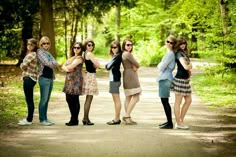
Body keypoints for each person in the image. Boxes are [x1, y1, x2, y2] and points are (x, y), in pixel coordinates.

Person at [171, 37, 192, 130]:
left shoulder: (184, 53)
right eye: (180, 44)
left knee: (188, 101)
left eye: (184, 43)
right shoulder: (179, 54)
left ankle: (180, 121)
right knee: (178, 102)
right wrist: (190, 66)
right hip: (180, 80)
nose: (183, 45)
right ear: (178, 45)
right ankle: (178, 123)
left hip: (185, 80)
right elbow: (185, 67)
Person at [157, 35, 177, 129]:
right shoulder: (169, 53)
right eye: (167, 41)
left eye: (171, 42)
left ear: (174, 44)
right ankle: (168, 121)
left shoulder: (170, 54)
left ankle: (170, 123)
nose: (169, 44)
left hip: (165, 78)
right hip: (164, 77)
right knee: (164, 101)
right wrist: (161, 65)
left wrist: (160, 64)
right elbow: (162, 66)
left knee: (165, 101)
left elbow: (161, 67)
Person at [37, 36, 58, 126]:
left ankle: (45, 118)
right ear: (41, 44)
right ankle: (42, 119)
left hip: (50, 78)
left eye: (47, 43)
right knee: (44, 99)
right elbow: (48, 63)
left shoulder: (47, 53)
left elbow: (55, 62)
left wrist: (53, 63)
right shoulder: (40, 52)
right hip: (43, 78)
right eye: (44, 43)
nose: (46, 45)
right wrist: (53, 63)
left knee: (47, 99)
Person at [62, 42, 84, 126]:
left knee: (74, 99)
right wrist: (66, 68)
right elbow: (63, 66)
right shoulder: (71, 57)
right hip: (69, 80)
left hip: (76, 80)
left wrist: (66, 68)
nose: (76, 49)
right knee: (68, 98)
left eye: (78, 48)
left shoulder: (80, 58)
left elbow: (71, 66)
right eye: (75, 47)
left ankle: (75, 119)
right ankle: (72, 117)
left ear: (81, 49)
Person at [18, 38, 38, 126]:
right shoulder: (33, 54)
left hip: (29, 78)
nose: (29, 46)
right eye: (28, 44)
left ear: (34, 46)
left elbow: (23, 66)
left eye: (31, 45)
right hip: (31, 78)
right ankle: (28, 118)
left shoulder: (31, 55)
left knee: (29, 100)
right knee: (29, 99)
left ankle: (29, 120)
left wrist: (22, 64)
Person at [122, 38, 141, 125]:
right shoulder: (128, 54)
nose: (129, 46)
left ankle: (128, 118)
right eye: (127, 45)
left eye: (130, 45)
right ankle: (127, 115)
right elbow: (137, 64)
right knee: (136, 96)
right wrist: (135, 66)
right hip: (131, 75)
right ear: (124, 46)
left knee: (128, 97)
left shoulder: (123, 54)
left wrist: (134, 66)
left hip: (126, 74)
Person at [82, 39, 100, 125]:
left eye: (92, 45)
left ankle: (86, 118)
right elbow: (97, 64)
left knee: (88, 98)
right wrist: (95, 64)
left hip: (88, 75)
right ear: (86, 45)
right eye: (89, 45)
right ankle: (85, 118)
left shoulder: (85, 53)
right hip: (91, 77)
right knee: (89, 98)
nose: (91, 46)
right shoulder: (89, 53)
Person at [105, 40, 122, 125]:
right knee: (115, 100)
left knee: (116, 100)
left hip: (114, 80)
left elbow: (108, 67)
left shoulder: (117, 56)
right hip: (113, 79)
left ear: (118, 48)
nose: (113, 49)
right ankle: (116, 118)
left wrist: (107, 64)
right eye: (112, 47)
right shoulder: (115, 56)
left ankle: (116, 119)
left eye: (115, 47)